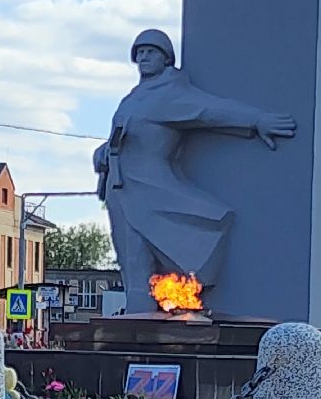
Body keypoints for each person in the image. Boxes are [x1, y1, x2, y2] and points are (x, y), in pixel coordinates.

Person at [94, 29, 296, 314]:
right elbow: (122, 138)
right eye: (139, 53)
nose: (143, 58)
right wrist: (102, 152)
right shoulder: (133, 98)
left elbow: (211, 111)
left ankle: (152, 314)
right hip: (121, 189)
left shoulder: (170, 94)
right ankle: (136, 318)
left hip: (152, 187)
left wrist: (256, 120)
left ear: (166, 58)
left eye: (151, 52)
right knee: (131, 261)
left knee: (178, 242)